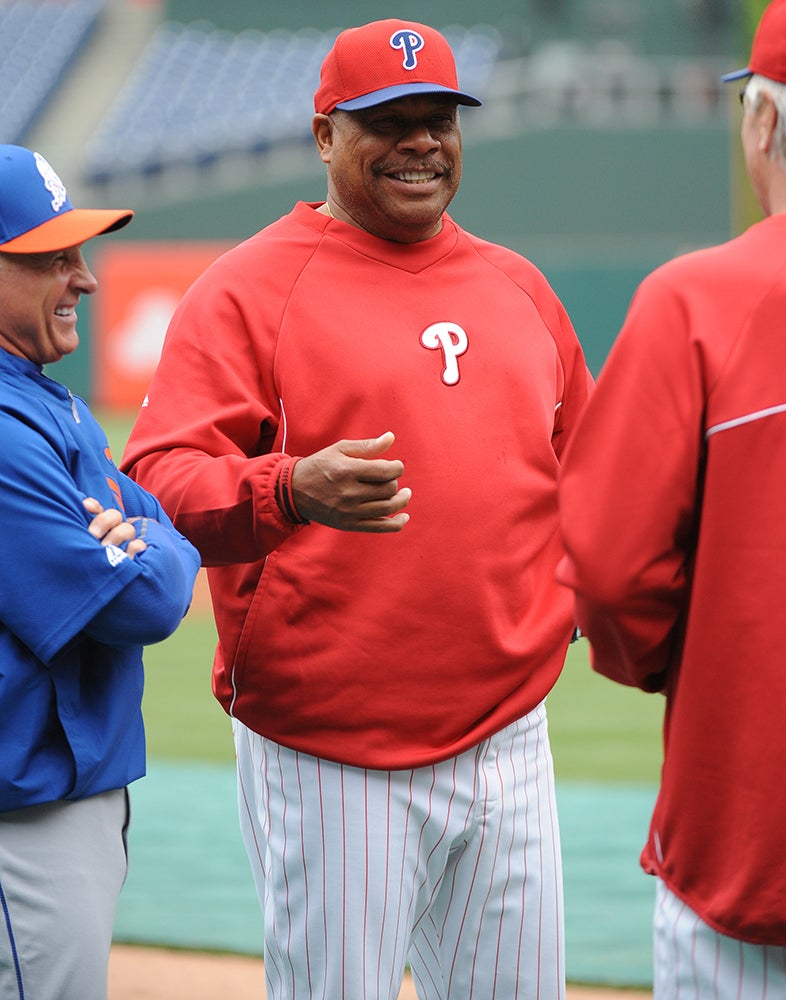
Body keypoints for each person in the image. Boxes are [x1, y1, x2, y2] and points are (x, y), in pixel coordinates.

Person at [121, 19, 592, 1000]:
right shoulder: (248, 289)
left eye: (439, 119)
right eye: (388, 121)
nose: (421, 140)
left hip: (510, 731)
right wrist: (285, 488)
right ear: (326, 135)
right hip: (332, 747)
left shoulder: (519, 288)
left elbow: (590, 473)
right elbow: (157, 480)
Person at [556, 2, 786, 996]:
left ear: (764, 122)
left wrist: (701, 670)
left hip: (748, 838)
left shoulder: (698, 300)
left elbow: (610, 573)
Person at [0, 144, 201, 1000]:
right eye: (50, 258)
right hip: (25, 815)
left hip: (58, 798)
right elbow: (144, 597)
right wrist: (154, 546)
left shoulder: (45, 399)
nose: (82, 278)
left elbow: (162, 526)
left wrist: (151, 538)